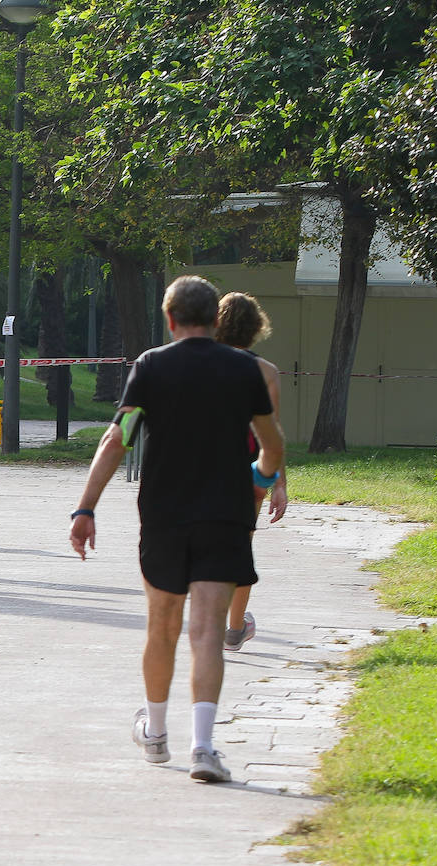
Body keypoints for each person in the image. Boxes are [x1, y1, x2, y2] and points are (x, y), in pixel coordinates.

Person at [69, 275, 284, 784]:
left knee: (162, 626)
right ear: (216, 320)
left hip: (164, 515)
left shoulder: (151, 366)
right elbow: (272, 443)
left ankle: (157, 734)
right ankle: (204, 748)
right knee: (208, 630)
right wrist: (263, 479)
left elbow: (117, 438)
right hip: (226, 515)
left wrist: (86, 509)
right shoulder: (244, 370)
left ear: (169, 319)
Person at [214, 292, 289, 651]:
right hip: (250, 472)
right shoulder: (267, 372)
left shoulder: (198, 364)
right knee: (240, 550)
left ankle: (211, 622)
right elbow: (272, 433)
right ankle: (233, 628)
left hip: (205, 467)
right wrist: (279, 484)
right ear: (257, 325)